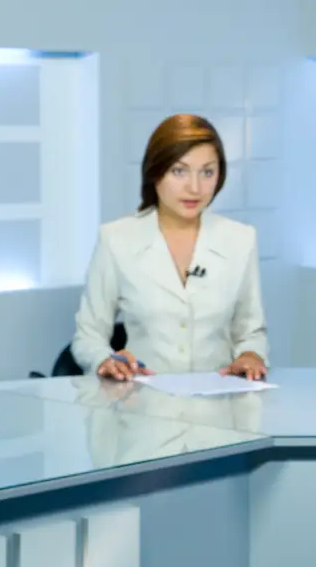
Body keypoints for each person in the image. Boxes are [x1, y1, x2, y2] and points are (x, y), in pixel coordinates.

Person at [71, 114, 269, 381]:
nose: (194, 187)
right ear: (156, 172)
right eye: (179, 171)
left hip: (218, 410)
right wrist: (105, 360)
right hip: (140, 406)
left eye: (207, 172)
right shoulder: (116, 239)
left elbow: (250, 332)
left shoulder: (240, 239)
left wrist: (251, 355)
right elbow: (88, 335)